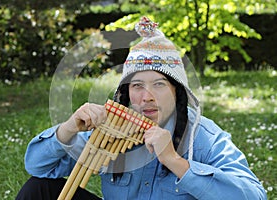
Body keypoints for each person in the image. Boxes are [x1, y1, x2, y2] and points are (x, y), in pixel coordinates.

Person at [16, 16, 267, 200]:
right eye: (137, 85)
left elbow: (253, 196)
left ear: (176, 92)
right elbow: (39, 167)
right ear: (126, 92)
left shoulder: (203, 137)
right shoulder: (113, 128)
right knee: (38, 190)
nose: (146, 97)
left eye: (158, 84)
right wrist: (68, 129)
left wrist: (174, 160)